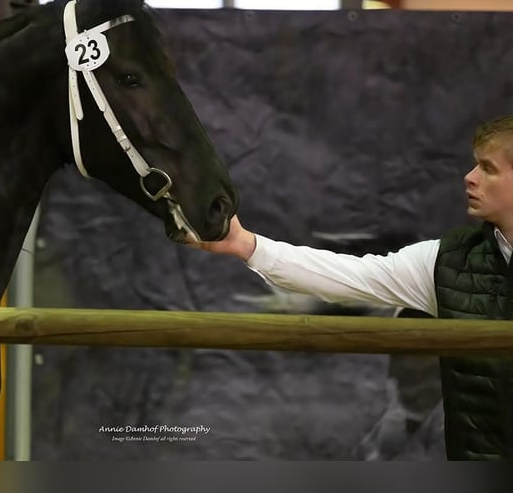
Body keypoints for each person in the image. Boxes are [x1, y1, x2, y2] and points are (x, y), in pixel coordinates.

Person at [191, 115, 513, 461]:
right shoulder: (447, 261)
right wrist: (245, 244)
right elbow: (345, 276)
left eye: (487, 168)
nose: (469, 176)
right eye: (475, 164)